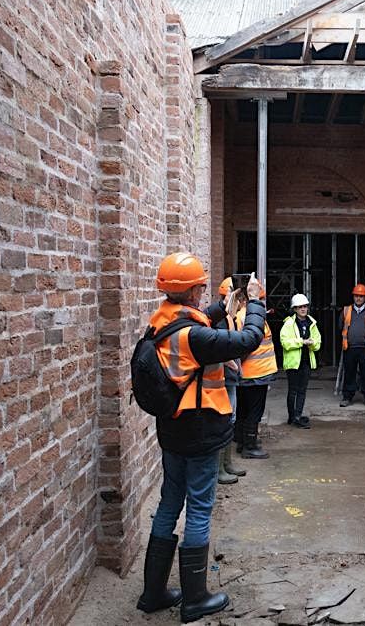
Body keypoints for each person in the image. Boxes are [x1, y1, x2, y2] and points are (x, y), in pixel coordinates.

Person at [139, 253, 265, 623]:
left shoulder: (160, 321)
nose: (202, 289)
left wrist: (223, 307)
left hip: (172, 429)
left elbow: (194, 325)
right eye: (200, 286)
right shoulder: (195, 336)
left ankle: (154, 592)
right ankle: (195, 598)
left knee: (168, 504)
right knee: (198, 508)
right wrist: (255, 302)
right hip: (201, 430)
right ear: (192, 290)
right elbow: (248, 339)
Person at [235, 285, 278, 459]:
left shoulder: (241, 316)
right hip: (255, 373)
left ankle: (242, 441)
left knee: (244, 410)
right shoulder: (249, 317)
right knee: (254, 411)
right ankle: (250, 446)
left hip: (249, 373)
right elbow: (244, 345)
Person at [213, 277, 248, 485]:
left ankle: (226, 463)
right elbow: (219, 345)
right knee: (225, 420)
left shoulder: (230, 318)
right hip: (224, 379)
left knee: (231, 419)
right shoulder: (221, 319)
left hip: (231, 378)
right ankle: (219, 469)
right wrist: (231, 363)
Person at [280, 293, 321, 428]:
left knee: (302, 390)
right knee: (293, 390)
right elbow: (285, 342)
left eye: (305, 306)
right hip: (293, 363)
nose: (303, 309)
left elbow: (318, 343)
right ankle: (292, 417)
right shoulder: (289, 324)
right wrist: (301, 342)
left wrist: (311, 344)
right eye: (300, 307)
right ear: (295, 309)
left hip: (306, 362)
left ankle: (297, 416)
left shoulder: (312, 323)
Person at [339, 284, 365, 408]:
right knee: (349, 373)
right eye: (356, 296)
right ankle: (347, 397)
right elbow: (340, 327)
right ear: (353, 296)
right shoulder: (346, 310)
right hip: (350, 347)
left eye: (361, 296)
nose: (358, 298)